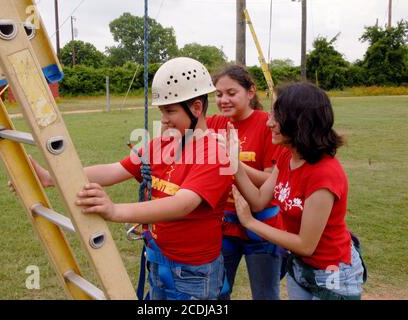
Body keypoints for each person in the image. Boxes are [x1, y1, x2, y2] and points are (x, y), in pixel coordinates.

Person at [27, 57, 233, 300]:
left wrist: (115, 211)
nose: (164, 119)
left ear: (196, 108)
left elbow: (183, 204)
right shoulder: (164, 142)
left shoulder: (215, 154)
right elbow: (115, 170)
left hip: (192, 275)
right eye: (161, 111)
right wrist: (53, 177)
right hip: (158, 260)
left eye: (170, 110)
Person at [231, 82, 366, 300]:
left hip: (333, 274)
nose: (269, 123)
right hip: (300, 265)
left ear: (300, 122)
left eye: (277, 116)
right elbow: (258, 200)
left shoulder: (324, 174)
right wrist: (233, 163)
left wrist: (250, 223)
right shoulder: (287, 156)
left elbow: (306, 244)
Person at [206, 64, 284, 300]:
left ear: (251, 92)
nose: (224, 100)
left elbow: (272, 181)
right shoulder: (214, 124)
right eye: (219, 95)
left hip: (262, 227)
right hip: (225, 226)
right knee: (217, 293)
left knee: (265, 295)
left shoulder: (268, 125)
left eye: (231, 93)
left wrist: (236, 162)